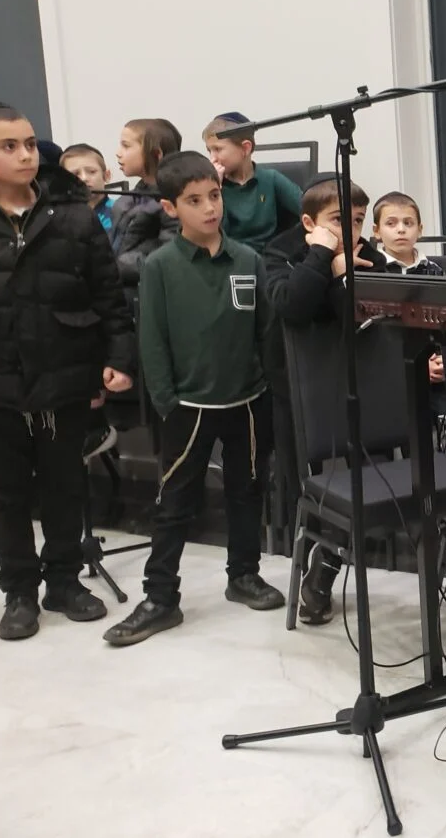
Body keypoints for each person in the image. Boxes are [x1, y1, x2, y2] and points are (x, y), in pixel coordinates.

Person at [0, 100, 135, 640]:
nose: (26, 155)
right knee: (3, 494)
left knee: (64, 484)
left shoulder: (73, 217)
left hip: (63, 373)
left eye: (29, 144)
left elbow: (108, 296)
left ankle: (64, 582)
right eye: (9, 146)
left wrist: (118, 358)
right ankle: (19, 591)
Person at [103, 152, 285, 646]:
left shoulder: (247, 259)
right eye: (195, 200)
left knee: (247, 492)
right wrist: (168, 401)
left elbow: (265, 331)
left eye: (215, 196)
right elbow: (152, 339)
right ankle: (161, 597)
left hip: (248, 401)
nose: (209, 208)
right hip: (188, 406)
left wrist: (267, 388)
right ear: (170, 208)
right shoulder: (161, 266)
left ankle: (243, 575)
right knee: (175, 502)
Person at [262, 174, 384, 625]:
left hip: (356, 386)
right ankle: (311, 563)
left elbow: (366, 324)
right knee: (306, 487)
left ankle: (324, 572)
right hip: (295, 391)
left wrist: (344, 278)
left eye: (358, 220)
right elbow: (292, 307)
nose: (351, 231)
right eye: (339, 220)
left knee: (362, 484)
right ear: (309, 222)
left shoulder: (368, 256)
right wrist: (322, 259)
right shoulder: (279, 252)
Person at [60, 143, 123, 460]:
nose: (84, 178)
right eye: (75, 173)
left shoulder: (118, 211)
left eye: (91, 171)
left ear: (106, 174)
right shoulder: (59, 217)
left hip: (106, 295)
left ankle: (96, 425)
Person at [204, 112, 302, 253]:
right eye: (209, 151)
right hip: (228, 257)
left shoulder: (270, 179)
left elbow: (310, 209)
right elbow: (211, 236)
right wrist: (214, 190)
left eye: (218, 149)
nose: (212, 159)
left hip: (267, 257)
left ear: (245, 148)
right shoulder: (212, 187)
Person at [111, 118, 182, 286]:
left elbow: (168, 256)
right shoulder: (130, 197)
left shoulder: (171, 200)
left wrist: (111, 268)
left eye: (126, 146)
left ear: (156, 154)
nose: (118, 153)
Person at [371, 191, 445, 276]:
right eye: (390, 223)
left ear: (419, 230)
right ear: (377, 231)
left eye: (408, 223)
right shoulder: (367, 269)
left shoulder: (435, 271)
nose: (401, 229)